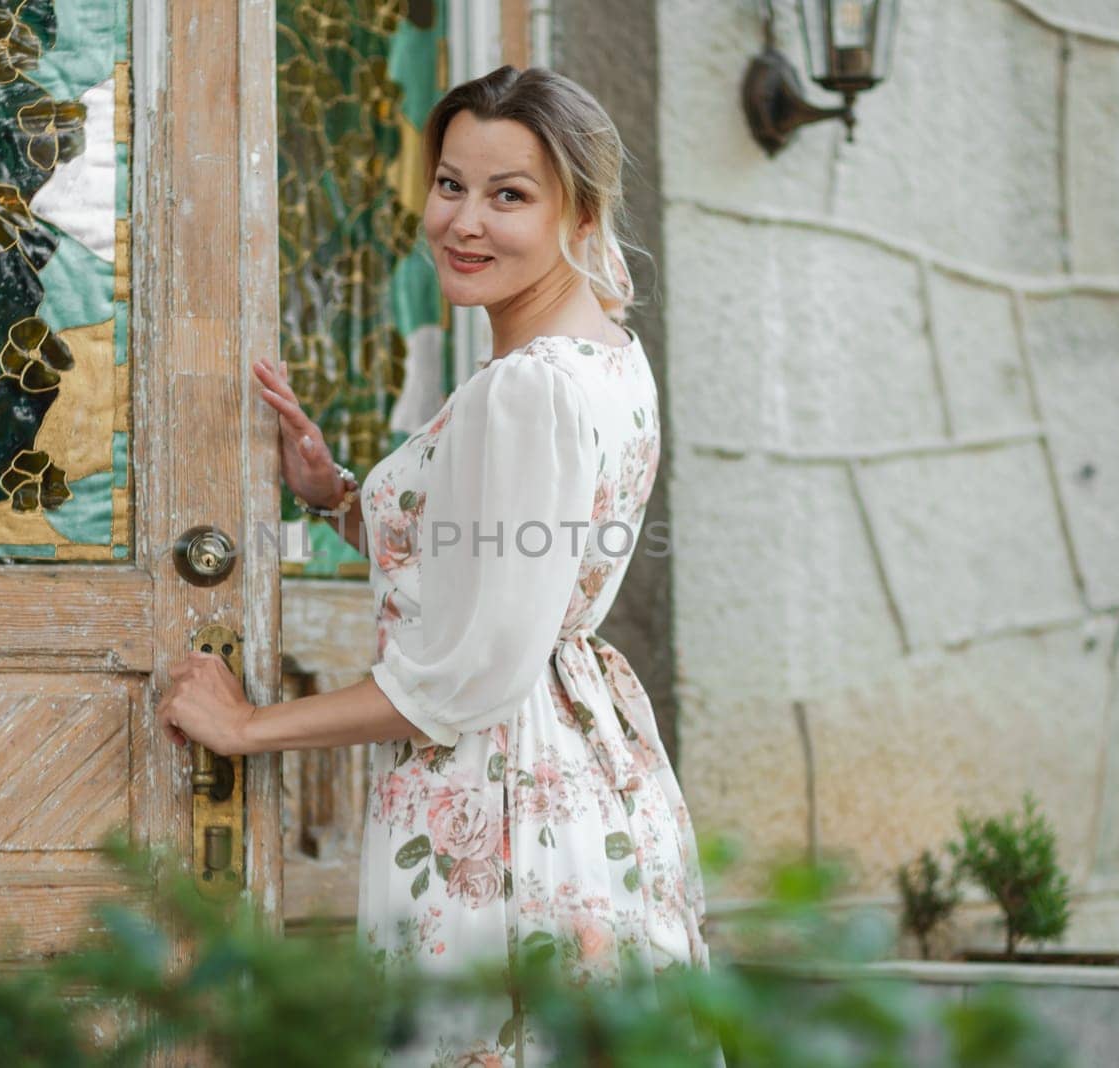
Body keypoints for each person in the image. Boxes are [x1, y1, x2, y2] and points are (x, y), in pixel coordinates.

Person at [157, 65, 715, 1066]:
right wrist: (336, 494)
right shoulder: (609, 356)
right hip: (586, 774)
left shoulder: (527, 389)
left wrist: (244, 727)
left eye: (509, 196)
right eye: (451, 184)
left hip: (498, 805)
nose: (464, 221)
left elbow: (463, 681)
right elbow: (500, 569)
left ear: (576, 211)